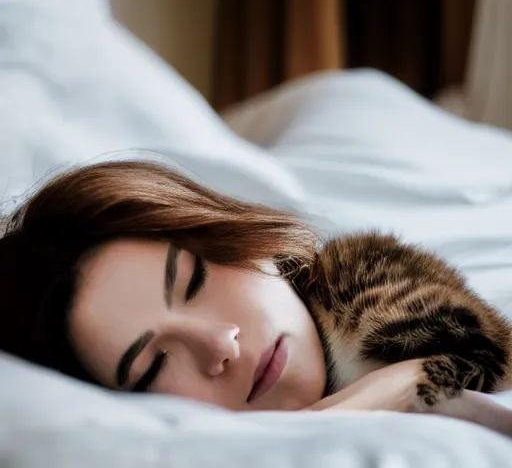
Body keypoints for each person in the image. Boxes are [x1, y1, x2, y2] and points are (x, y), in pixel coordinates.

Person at [1, 160, 511, 433]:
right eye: (153, 367)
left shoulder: (363, 276)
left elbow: (480, 353)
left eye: (194, 282)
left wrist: (343, 412)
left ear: (238, 237)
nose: (221, 343)